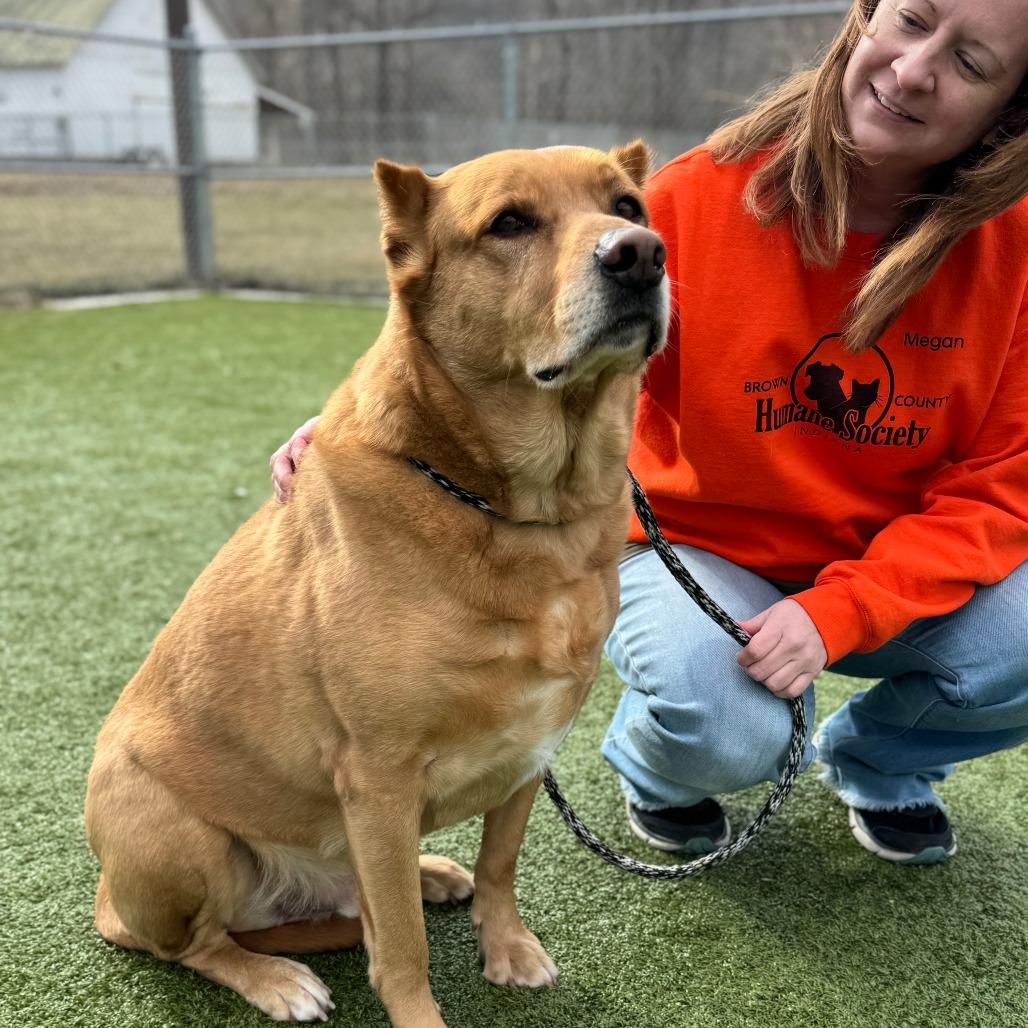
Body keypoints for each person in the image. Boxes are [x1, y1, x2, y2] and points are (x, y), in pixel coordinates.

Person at [271, 0, 1028, 865]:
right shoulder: (692, 203)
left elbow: (1005, 481)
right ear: (862, 20)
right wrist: (374, 425)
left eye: (970, 62)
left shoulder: (1015, 251)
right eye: (910, 20)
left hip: (889, 562)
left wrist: (842, 612)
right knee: (724, 722)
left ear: (1009, 115)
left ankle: (878, 759)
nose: (913, 68)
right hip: (701, 550)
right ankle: (658, 767)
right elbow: (528, 341)